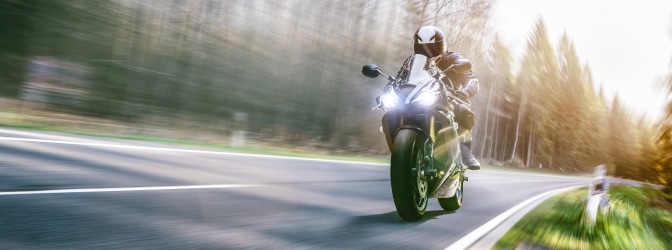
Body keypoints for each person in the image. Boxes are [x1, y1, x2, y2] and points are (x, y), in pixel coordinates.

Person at [408, 25, 482, 170]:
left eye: (433, 47)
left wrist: (465, 92)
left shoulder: (453, 58)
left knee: (464, 112)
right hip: (419, 98)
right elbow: (402, 78)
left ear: (441, 46)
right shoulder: (413, 62)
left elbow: (472, 80)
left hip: (449, 100)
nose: (428, 51)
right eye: (423, 48)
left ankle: (466, 154)